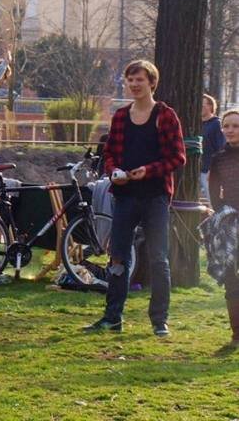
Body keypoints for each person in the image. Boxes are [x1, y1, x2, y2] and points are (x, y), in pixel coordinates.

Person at [84, 60, 185, 337]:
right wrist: (114, 171)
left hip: (155, 196)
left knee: (158, 259)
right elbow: (110, 154)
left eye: (139, 80)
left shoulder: (165, 115)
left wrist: (147, 171)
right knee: (117, 257)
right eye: (130, 80)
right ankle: (112, 317)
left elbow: (177, 157)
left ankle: (159, 320)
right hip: (125, 196)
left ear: (152, 82)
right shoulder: (120, 116)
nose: (134, 85)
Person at [206, 109, 239, 348]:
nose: (230, 130)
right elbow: (213, 188)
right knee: (231, 279)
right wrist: (222, 212)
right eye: (226, 126)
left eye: (235, 126)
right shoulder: (219, 158)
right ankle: (237, 335)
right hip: (230, 225)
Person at [201, 93, 225, 204]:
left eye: (203, 105)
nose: (200, 107)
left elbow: (221, 148)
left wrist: (215, 169)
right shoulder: (197, 124)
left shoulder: (216, 124)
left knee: (213, 201)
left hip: (208, 171)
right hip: (194, 170)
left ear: (210, 106)